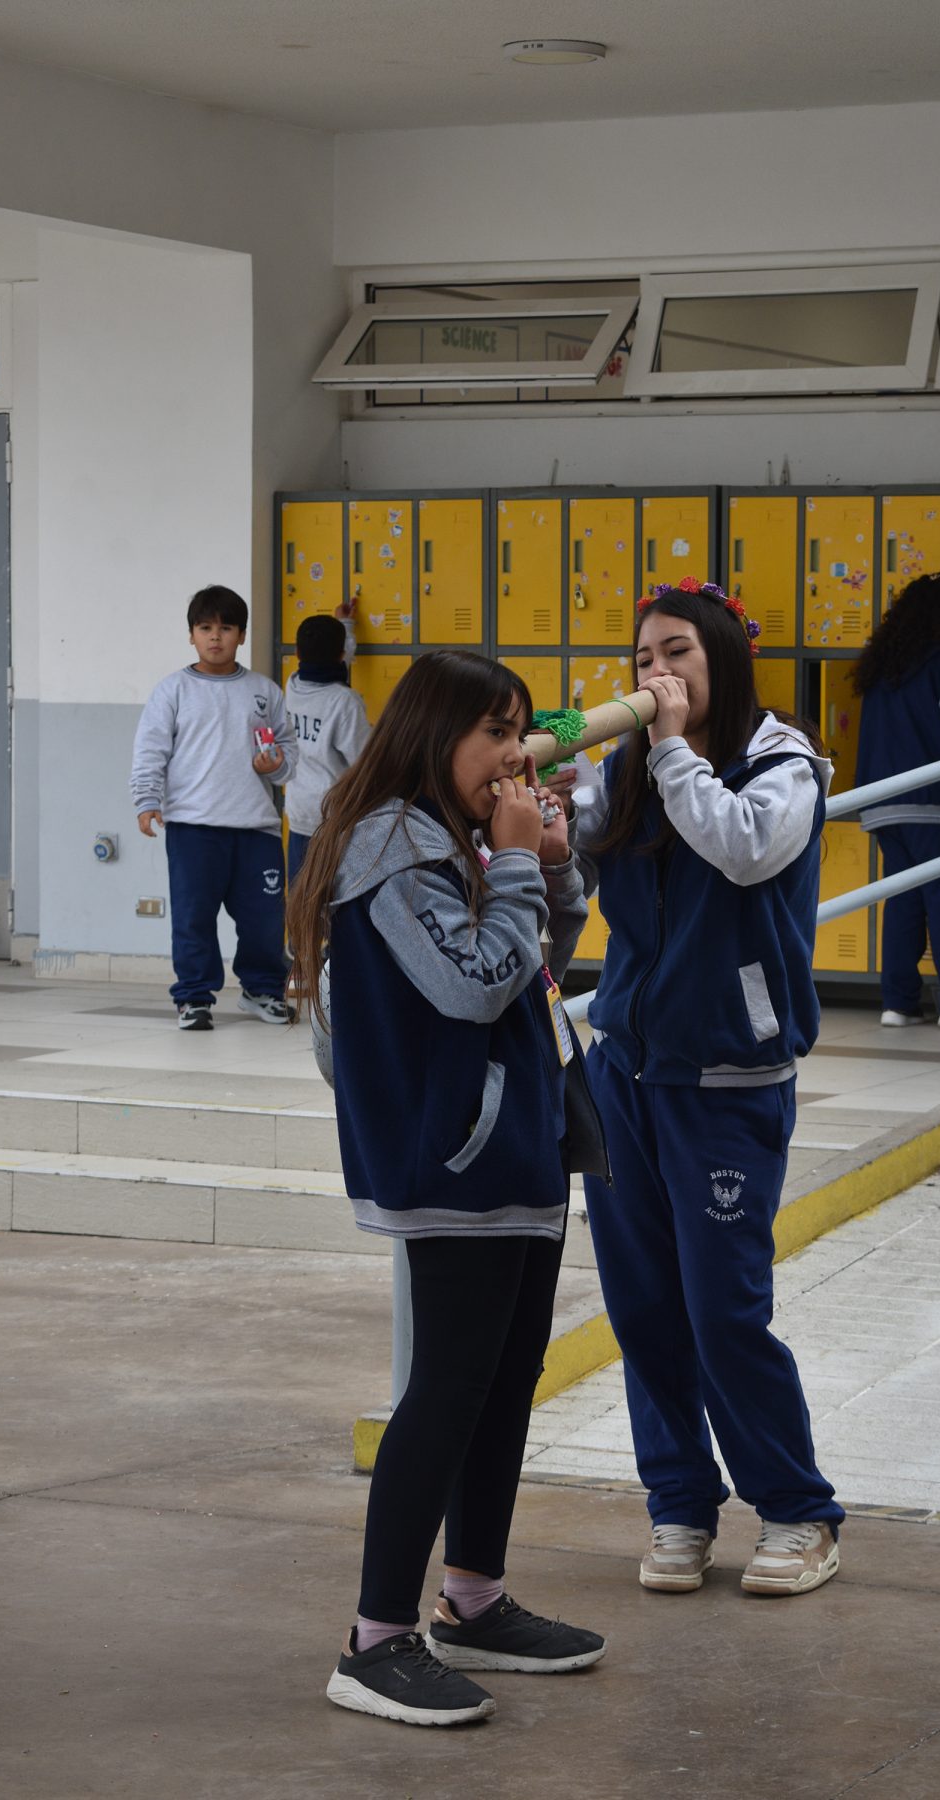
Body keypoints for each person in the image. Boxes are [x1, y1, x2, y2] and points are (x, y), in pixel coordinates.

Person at [286, 649, 608, 1727]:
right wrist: (516, 865)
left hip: (517, 1144)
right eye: (494, 732)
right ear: (435, 736)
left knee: (507, 1376)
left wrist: (548, 869)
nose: (517, 754)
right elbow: (468, 990)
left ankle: (473, 1594)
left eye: (521, 730)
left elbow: (527, 967)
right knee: (450, 1386)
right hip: (457, 1157)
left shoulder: (459, 841)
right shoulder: (391, 847)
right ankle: (376, 1639)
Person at [574, 576, 844, 1600]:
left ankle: (798, 1512)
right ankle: (680, 1505)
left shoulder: (784, 762)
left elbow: (739, 848)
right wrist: (554, 817)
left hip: (727, 1079)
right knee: (644, 1308)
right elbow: (588, 865)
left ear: (722, 660)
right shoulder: (627, 763)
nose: (657, 675)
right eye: (644, 658)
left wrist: (669, 747)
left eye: (677, 653)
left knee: (723, 1309)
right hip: (626, 1073)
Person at [130, 585, 297, 1030]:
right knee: (193, 918)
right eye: (206, 628)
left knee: (265, 919)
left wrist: (275, 764)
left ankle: (262, 990)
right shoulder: (173, 691)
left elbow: (287, 755)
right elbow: (150, 750)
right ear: (191, 635)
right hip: (193, 828)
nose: (216, 637)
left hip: (257, 828)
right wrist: (147, 799)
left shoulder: (264, 692)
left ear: (241, 635)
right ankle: (193, 997)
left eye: (226, 628)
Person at [853, 570, 940, 1030]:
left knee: (904, 900)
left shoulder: (885, 667)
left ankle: (898, 1003)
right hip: (938, 802)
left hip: (883, 803)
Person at [284, 613, 370, 886]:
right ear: (341, 652)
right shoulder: (344, 702)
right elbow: (365, 761)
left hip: (299, 816)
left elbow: (332, 664)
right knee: (336, 903)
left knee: (301, 901)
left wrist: (344, 627)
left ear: (297, 652)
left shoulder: (292, 686)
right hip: (335, 822)